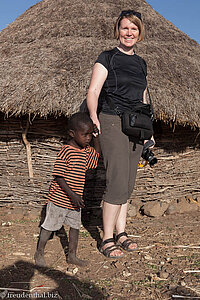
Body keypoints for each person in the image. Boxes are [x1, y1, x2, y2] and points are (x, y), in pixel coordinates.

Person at [87, 10, 154, 258]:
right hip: (112, 120)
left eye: (134, 29)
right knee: (116, 180)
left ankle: (121, 232)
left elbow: (144, 97)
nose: (129, 33)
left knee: (127, 182)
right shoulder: (107, 57)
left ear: (140, 32)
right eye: (125, 28)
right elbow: (93, 90)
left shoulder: (141, 62)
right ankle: (106, 238)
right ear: (118, 30)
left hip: (137, 124)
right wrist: (94, 116)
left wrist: (149, 131)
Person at [34, 112, 100, 267]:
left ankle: (72, 256)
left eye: (90, 135)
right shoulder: (66, 151)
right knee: (49, 226)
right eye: (85, 135)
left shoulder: (85, 151)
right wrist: (72, 195)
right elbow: (58, 177)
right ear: (72, 133)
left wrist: (96, 136)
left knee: (75, 227)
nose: (88, 138)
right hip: (60, 198)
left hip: (75, 200)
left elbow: (96, 156)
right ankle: (39, 252)